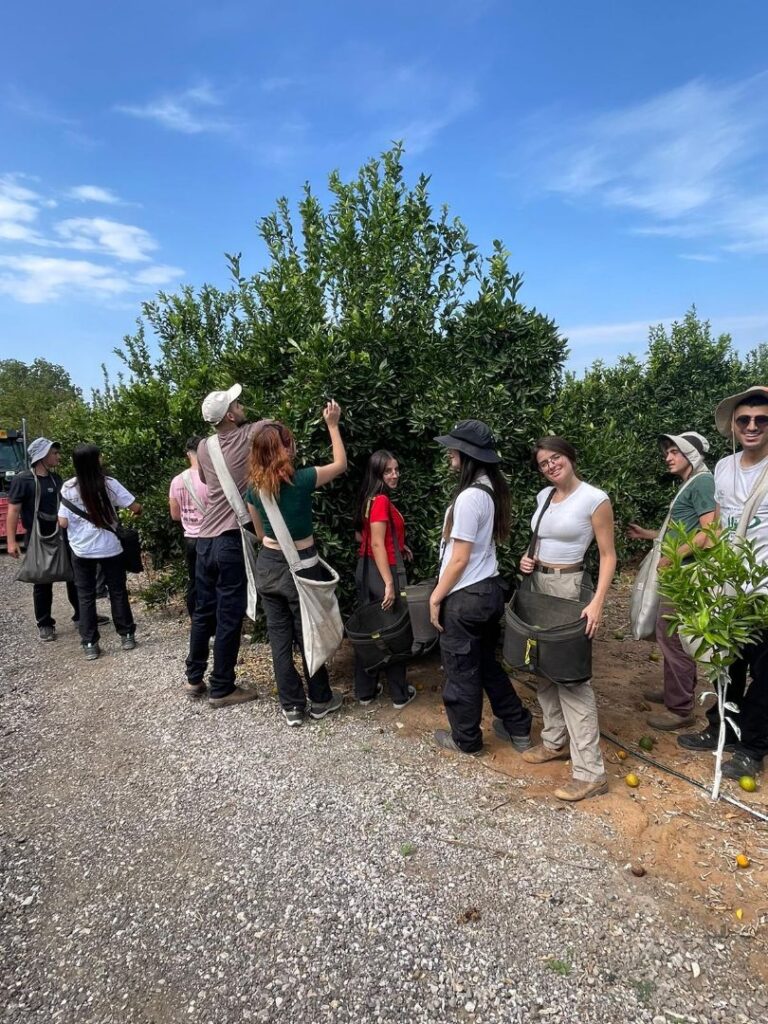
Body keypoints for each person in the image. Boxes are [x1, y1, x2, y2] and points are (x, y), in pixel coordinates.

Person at [515, 436, 616, 802]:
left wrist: (598, 602)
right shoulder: (544, 498)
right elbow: (539, 539)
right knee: (540, 667)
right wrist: (529, 559)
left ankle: (591, 772)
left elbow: (608, 555)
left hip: (571, 587)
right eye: (543, 463)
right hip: (538, 583)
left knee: (571, 677)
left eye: (555, 458)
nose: (551, 466)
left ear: (570, 457)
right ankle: (556, 741)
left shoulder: (594, 498)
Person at [678, 387, 768, 780]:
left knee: (764, 676)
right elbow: (718, 520)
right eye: (744, 420)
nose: (752, 426)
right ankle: (721, 729)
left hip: (765, 591)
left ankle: (753, 747)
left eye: (761, 420)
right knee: (723, 667)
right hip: (727, 586)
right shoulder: (724, 466)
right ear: (733, 425)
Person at [428, 420, 533, 757]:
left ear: (467, 453)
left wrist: (435, 596)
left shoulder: (471, 496)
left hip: (466, 595)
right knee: (486, 664)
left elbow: (459, 559)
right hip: (487, 591)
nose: (449, 453)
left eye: (453, 448)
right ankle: (516, 725)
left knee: (461, 671)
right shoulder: (489, 489)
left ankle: (466, 739)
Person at [245, 401, 347, 727]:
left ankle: (291, 707)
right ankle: (320, 700)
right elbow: (341, 464)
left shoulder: (253, 490)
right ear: (284, 449)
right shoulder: (301, 480)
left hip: (268, 564)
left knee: (279, 638)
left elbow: (259, 533)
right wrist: (332, 424)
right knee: (308, 635)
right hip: (300, 564)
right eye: (289, 442)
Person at [628, 432, 716, 730]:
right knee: (669, 635)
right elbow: (683, 529)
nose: (668, 457)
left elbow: (709, 533)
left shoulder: (703, 482)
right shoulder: (692, 483)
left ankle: (680, 708)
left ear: (692, 454)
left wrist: (673, 557)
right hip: (678, 573)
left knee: (674, 638)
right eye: (667, 451)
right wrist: (650, 534)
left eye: (675, 451)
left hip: (685, 576)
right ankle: (674, 692)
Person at [185, 384, 261, 708]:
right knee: (229, 615)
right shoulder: (249, 435)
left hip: (204, 540)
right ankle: (222, 688)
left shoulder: (203, 446)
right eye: (236, 403)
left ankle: (193, 678)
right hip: (230, 538)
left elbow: (203, 479)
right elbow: (277, 430)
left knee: (204, 610)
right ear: (230, 415)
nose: (242, 405)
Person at [7, 437, 106, 640]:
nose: (58, 457)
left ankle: (83, 616)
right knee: (42, 579)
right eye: (54, 453)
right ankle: (45, 623)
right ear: (42, 456)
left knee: (73, 575)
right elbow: (13, 511)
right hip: (38, 536)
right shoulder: (23, 480)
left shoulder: (56, 479)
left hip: (62, 535)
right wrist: (11, 541)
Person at [57, 444, 142, 660]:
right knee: (117, 591)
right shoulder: (109, 484)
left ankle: (90, 644)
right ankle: (127, 635)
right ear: (96, 461)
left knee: (85, 595)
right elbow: (136, 507)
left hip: (81, 549)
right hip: (110, 547)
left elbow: (63, 522)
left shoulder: (67, 487)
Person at [353, 450, 416, 709]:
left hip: (366, 569)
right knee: (394, 632)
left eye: (396, 469)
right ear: (378, 473)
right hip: (382, 572)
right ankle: (400, 694)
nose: (394, 475)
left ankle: (365, 690)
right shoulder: (380, 500)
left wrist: (399, 545)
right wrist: (389, 582)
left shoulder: (369, 498)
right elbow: (378, 543)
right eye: (388, 470)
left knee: (369, 629)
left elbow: (363, 536)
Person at [169, 436, 209, 617]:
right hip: (212, 536)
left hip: (191, 538)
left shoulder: (177, 481)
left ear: (188, 454)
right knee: (215, 582)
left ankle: (197, 619)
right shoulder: (212, 478)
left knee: (195, 580)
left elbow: (175, 515)